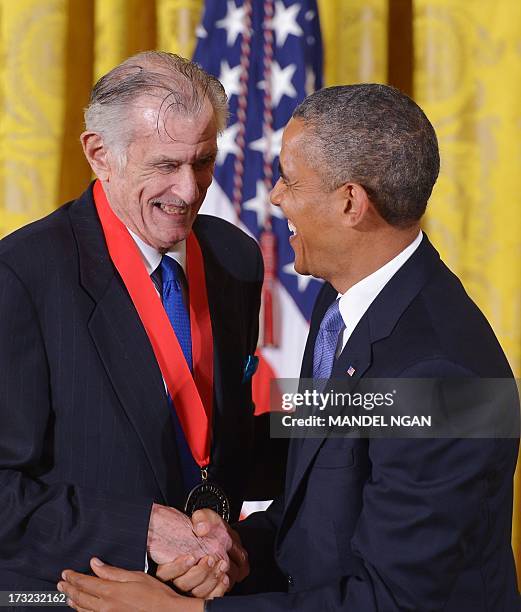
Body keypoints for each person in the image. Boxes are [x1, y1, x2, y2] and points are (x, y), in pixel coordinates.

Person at [59, 84, 520, 611]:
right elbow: (320, 499)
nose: (274, 197)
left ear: (350, 202)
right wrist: (238, 550)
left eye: (290, 181)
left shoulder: (440, 377)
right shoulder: (342, 307)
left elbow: (396, 602)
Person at [0, 51, 284, 600]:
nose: (190, 190)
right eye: (165, 165)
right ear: (99, 153)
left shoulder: (235, 257)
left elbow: (221, 443)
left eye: (203, 161)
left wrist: (394, 412)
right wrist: (142, 530)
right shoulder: (22, 276)